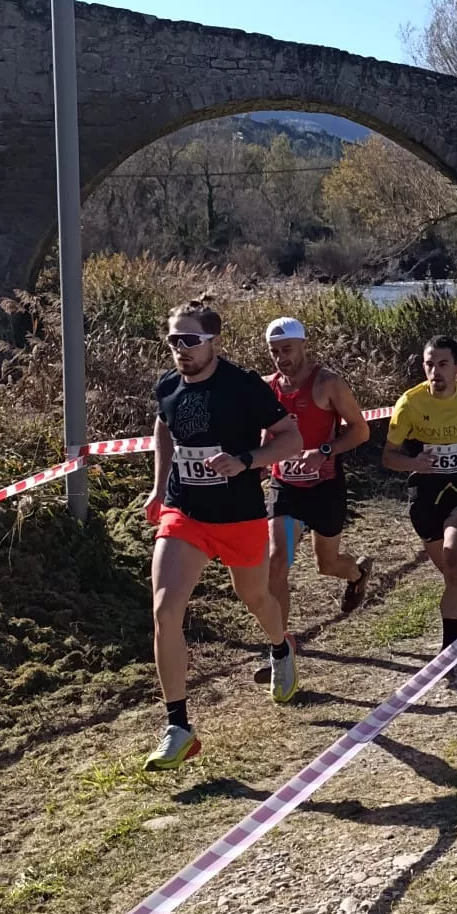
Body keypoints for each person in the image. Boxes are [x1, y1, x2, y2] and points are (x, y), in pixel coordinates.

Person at [143, 302, 306, 770]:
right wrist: (158, 489)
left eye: (190, 341)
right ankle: (179, 726)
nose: (181, 350)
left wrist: (246, 461)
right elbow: (164, 427)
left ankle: (280, 648)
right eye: (174, 340)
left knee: (253, 596)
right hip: (185, 513)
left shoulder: (242, 386)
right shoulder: (168, 386)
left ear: (214, 341)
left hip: (238, 515)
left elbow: (290, 439)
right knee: (164, 610)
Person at [259, 316, 373, 684]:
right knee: (277, 562)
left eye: (287, 350)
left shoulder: (327, 384)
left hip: (325, 487)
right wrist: (258, 465)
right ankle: (280, 649)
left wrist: (325, 450)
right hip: (284, 487)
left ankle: (357, 574)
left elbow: (361, 430)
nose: (282, 358)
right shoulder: (267, 388)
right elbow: (266, 434)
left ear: (304, 345)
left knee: (327, 564)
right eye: (275, 352)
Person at [382, 335, 457, 651]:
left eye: (443, 364)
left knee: (454, 570)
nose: (435, 371)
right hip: (425, 496)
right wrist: (413, 462)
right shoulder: (409, 403)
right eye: (429, 364)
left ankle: (448, 652)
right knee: (452, 572)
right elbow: (388, 456)